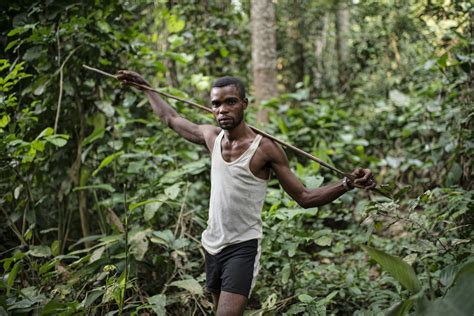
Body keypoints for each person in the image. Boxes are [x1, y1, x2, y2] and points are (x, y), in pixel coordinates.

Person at [117, 71, 376, 316]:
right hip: (212, 244)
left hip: (242, 246)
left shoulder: (265, 149)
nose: (223, 109)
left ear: (244, 104)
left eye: (230, 102)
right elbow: (171, 119)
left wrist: (347, 184)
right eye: (216, 104)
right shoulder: (211, 137)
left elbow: (305, 198)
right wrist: (146, 88)